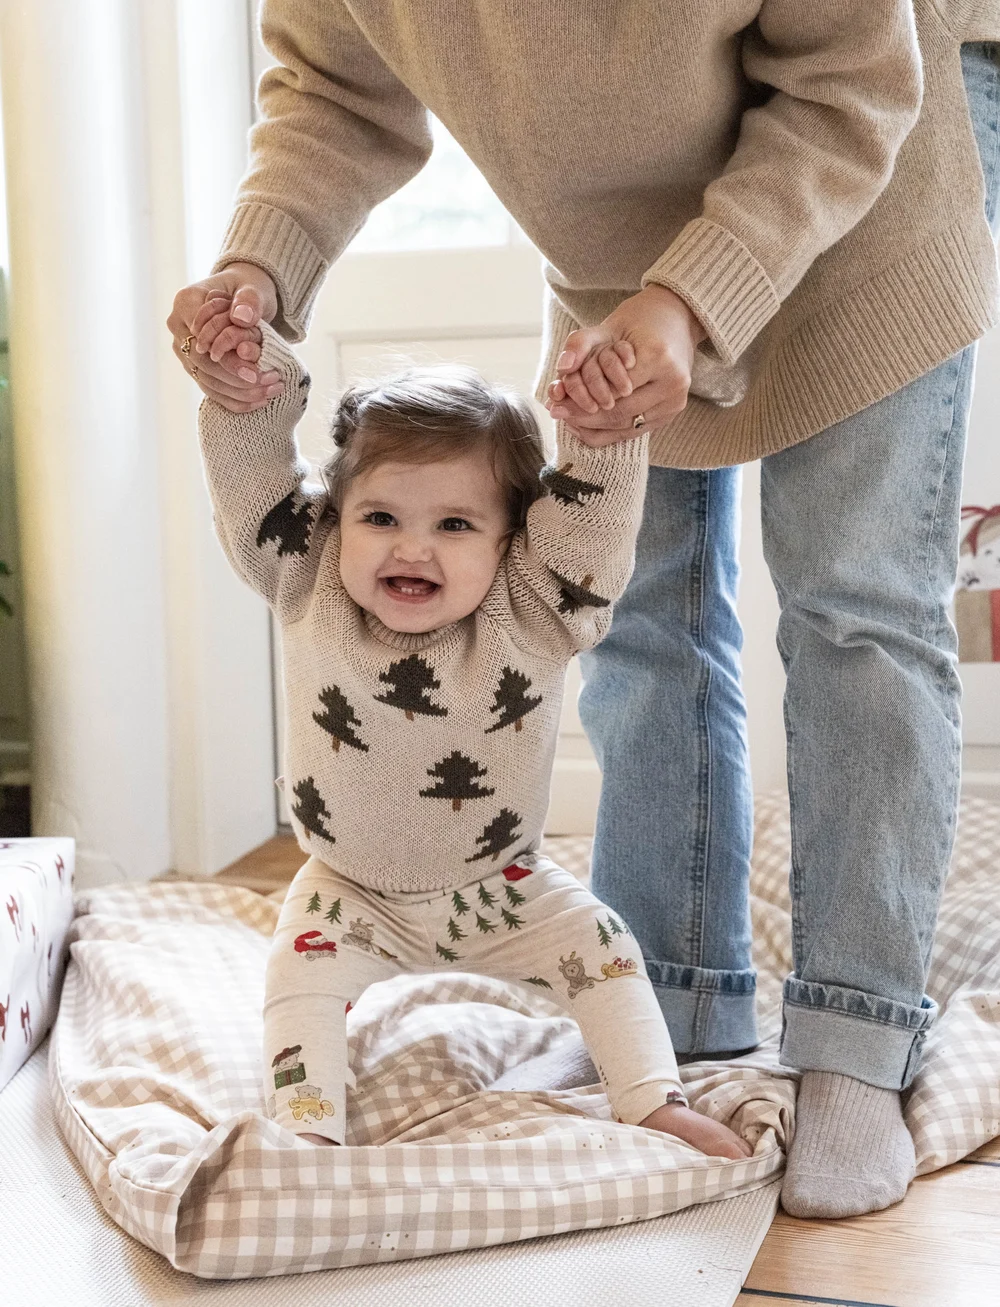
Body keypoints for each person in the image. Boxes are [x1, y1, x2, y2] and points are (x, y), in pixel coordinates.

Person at [168, 2, 1000, 1216]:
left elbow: (851, 76)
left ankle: (855, 1038)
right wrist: (257, 275)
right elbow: (335, 91)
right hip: (611, 265)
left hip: (861, 197)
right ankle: (669, 1002)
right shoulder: (311, 566)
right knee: (636, 621)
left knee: (855, 615)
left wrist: (690, 302)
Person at [196, 311, 752, 1158]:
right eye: (380, 517)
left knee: (606, 947)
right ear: (336, 515)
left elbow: (591, 529)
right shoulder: (307, 576)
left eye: (454, 525)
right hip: (348, 888)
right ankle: (309, 1134)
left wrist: (600, 436)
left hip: (503, 883)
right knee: (294, 980)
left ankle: (653, 1101)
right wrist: (249, 388)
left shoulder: (535, 604)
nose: (412, 548)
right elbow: (252, 488)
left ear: (512, 537)